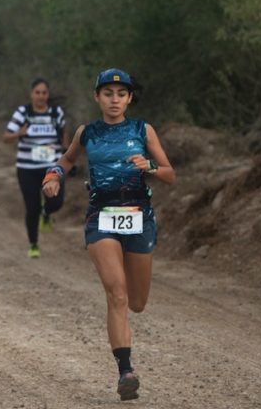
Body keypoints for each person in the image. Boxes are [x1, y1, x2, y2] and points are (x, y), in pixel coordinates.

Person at [41, 68, 175, 401]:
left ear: (129, 98)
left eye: (121, 94)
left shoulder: (143, 130)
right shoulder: (88, 132)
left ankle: (125, 356)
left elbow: (170, 174)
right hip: (100, 218)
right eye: (108, 93)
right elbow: (67, 159)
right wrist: (53, 176)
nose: (114, 100)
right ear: (97, 97)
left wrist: (151, 169)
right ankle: (125, 371)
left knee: (138, 302)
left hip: (138, 218)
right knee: (116, 294)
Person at [3, 78, 69, 258]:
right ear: (31, 94)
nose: (41, 96)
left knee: (56, 201)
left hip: (52, 168)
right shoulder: (22, 113)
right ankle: (33, 244)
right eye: (37, 93)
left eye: (44, 93)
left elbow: (64, 134)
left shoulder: (56, 112)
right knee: (31, 208)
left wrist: (67, 154)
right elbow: (6, 137)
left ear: (48, 95)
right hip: (27, 168)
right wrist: (19, 133)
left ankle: (46, 213)